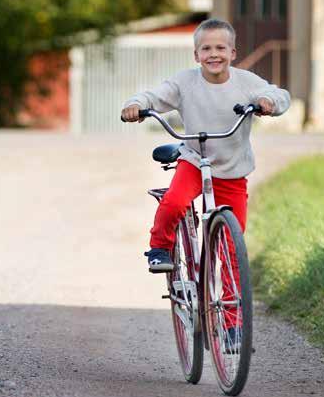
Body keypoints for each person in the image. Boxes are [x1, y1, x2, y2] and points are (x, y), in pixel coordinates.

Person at [121, 18, 289, 273]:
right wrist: (135, 104)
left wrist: (268, 101)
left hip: (232, 169)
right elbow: (153, 96)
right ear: (196, 55)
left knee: (233, 248)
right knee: (175, 201)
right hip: (194, 160)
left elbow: (280, 95)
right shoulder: (185, 82)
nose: (214, 54)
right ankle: (159, 248)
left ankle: (233, 313)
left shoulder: (246, 82)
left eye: (221, 48)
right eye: (206, 49)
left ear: (232, 53)